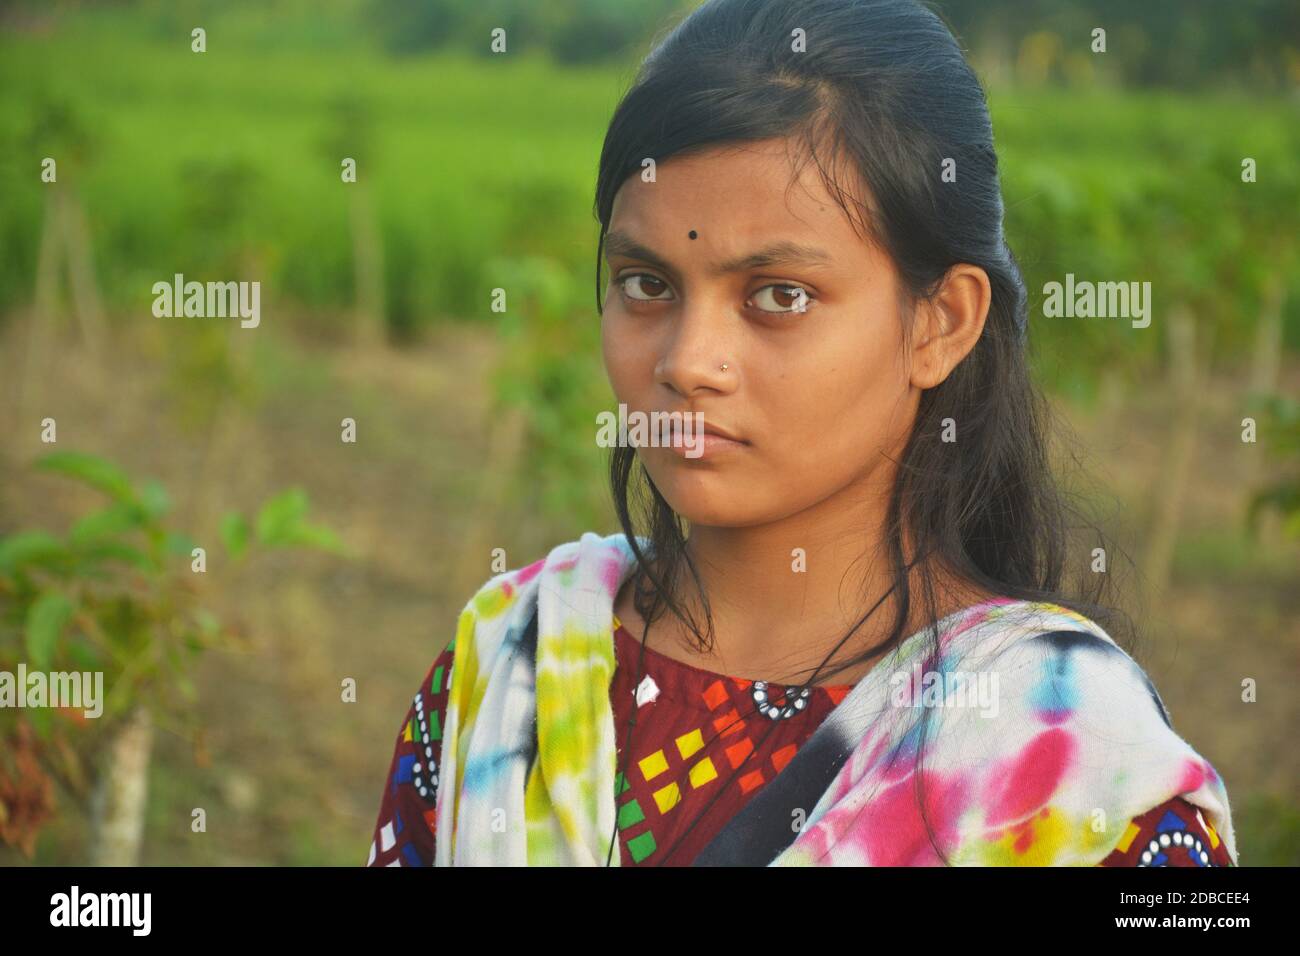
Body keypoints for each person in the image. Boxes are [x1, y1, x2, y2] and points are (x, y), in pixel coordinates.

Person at [368, 0, 1237, 866]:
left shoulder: (1074, 769)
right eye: (645, 283)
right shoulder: (505, 667)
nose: (689, 361)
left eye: (779, 295)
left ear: (940, 323)